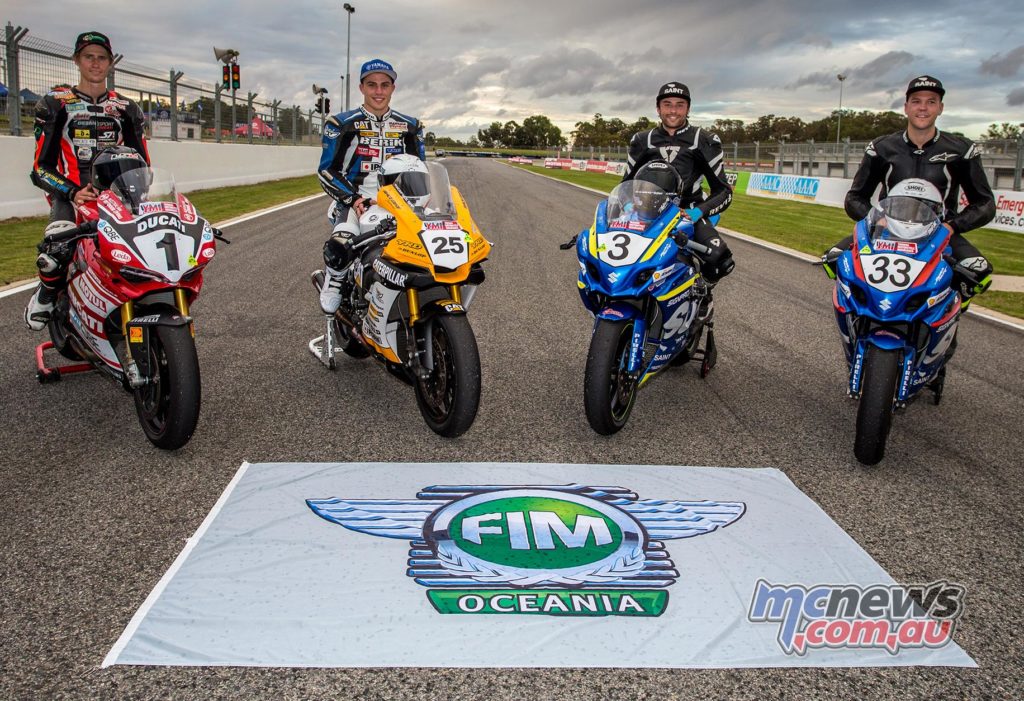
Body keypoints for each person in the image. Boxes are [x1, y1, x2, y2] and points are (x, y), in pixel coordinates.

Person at [824, 75, 995, 301]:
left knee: (978, 272)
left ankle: (951, 311)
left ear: (940, 108)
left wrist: (952, 226)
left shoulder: (962, 150)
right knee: (833, 260)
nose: (923, 107)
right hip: (887, 231)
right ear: (906, 107)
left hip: (940, 234)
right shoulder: (881, 147)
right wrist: (877, 219)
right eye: (916, 101)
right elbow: (854, 197)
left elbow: (985, 203)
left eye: (931, 101)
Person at [24, 30, 150, 330]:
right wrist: (72, 192)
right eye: (89, 57)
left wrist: (138, 193)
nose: (95, 63)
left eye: (101, 58)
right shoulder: (55, 104)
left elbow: (143, 162)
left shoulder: (126, 108)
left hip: (116, 196)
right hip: (69, 194)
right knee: (57, 248)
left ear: (110, 63)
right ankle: (46, 293)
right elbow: (40, 168)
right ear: (77, 60)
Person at [317, 58, 425, 314]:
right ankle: (335, 279)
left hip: (399, 202)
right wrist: (353, 199)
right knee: (343, 240)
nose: (378, 91)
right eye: (372, 85)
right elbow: (326, 170)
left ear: (392, 88)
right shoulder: (341, 123)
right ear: (362, 88)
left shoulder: (411, 126)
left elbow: (420, 167)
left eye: (384, 85)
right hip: (355, 200)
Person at [621, 82, 735, 283]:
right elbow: (625, 185)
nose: (673, 110)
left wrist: (698, 212)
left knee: (720, 258)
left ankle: (702, 291)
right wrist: (628, 205)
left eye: (679, 105)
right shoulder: (641, 140)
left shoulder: (704, 140)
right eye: (667, 104)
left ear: (688, 109)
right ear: (658, 108)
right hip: (647, 213)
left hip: (688, 212)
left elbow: (724, 191)